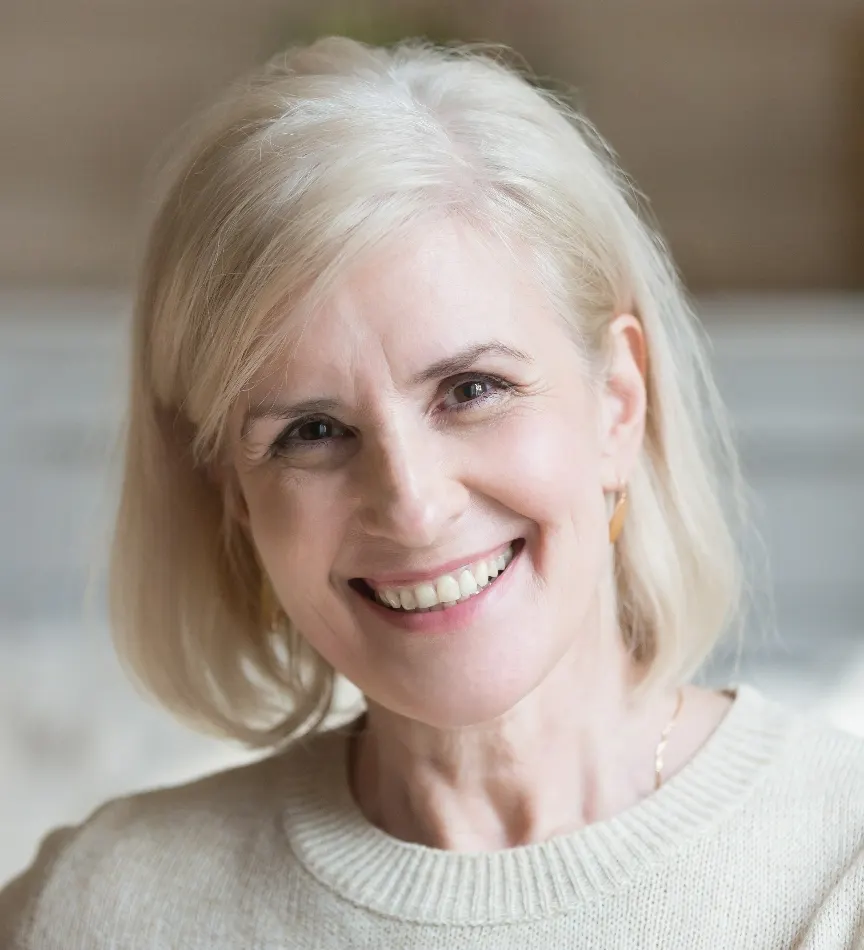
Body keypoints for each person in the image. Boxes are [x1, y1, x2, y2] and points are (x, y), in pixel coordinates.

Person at [1, 36, 862, 949]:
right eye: (312, 431)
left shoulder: (834, 870)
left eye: (472, 389)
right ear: (237, 498)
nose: (411, 504)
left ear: (617, 403)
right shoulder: (99, 909)